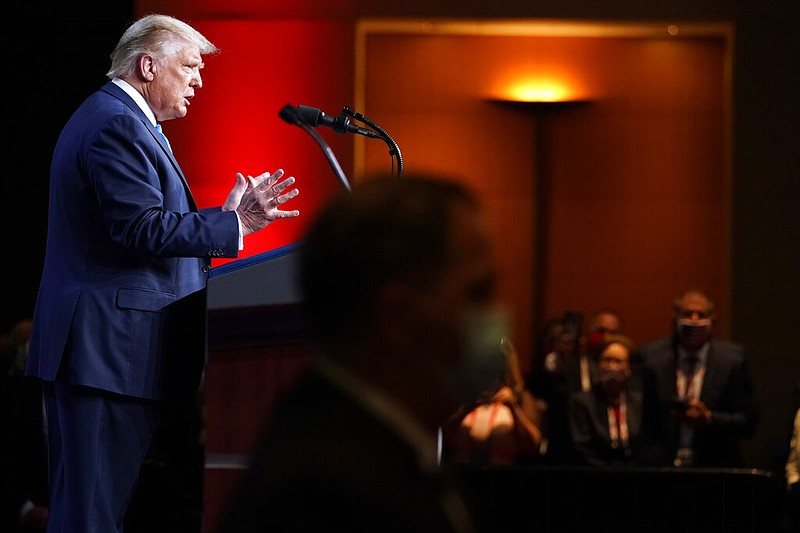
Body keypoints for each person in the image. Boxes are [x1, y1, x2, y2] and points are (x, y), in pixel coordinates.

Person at [24, 14, 300, 533]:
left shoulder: (120, 120)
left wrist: (225, 223)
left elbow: (142, 227)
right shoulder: (116, 123)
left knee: (90, 515)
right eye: (191, 66)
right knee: (89, 519)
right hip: (103, 354)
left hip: (106, 355)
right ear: (148, 65)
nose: (199, 80)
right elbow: (141, 229)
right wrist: (231, 224)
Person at [216, 175, 508, 533]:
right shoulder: (329, 492)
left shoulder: (384, 451)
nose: (496, 317)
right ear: (396, 315)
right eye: (477, 294)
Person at [639, 289, 758, 467]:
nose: (694, 320)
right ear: (675, 319)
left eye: (701, 314)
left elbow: (748, 420)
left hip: (715, 467)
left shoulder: (732, 361)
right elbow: (641, 420)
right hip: (661, 468)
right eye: (687, 314)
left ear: (713, 320)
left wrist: (709, 419)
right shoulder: (651, 359)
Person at [442, 337, 544, 466]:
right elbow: (442, 438)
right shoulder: (462, 396)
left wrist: (512, 407)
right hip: (462, 477)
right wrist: (467, 408)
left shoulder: (520, 398)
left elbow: (534, 446)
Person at [568, 334, 663, 466]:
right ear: (597, 365)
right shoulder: (582, 402)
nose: (612, 367)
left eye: (618, 361)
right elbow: (582, 447)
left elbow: (650, 443)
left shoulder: (640, 402)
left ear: (629, 368)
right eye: (607, 360)